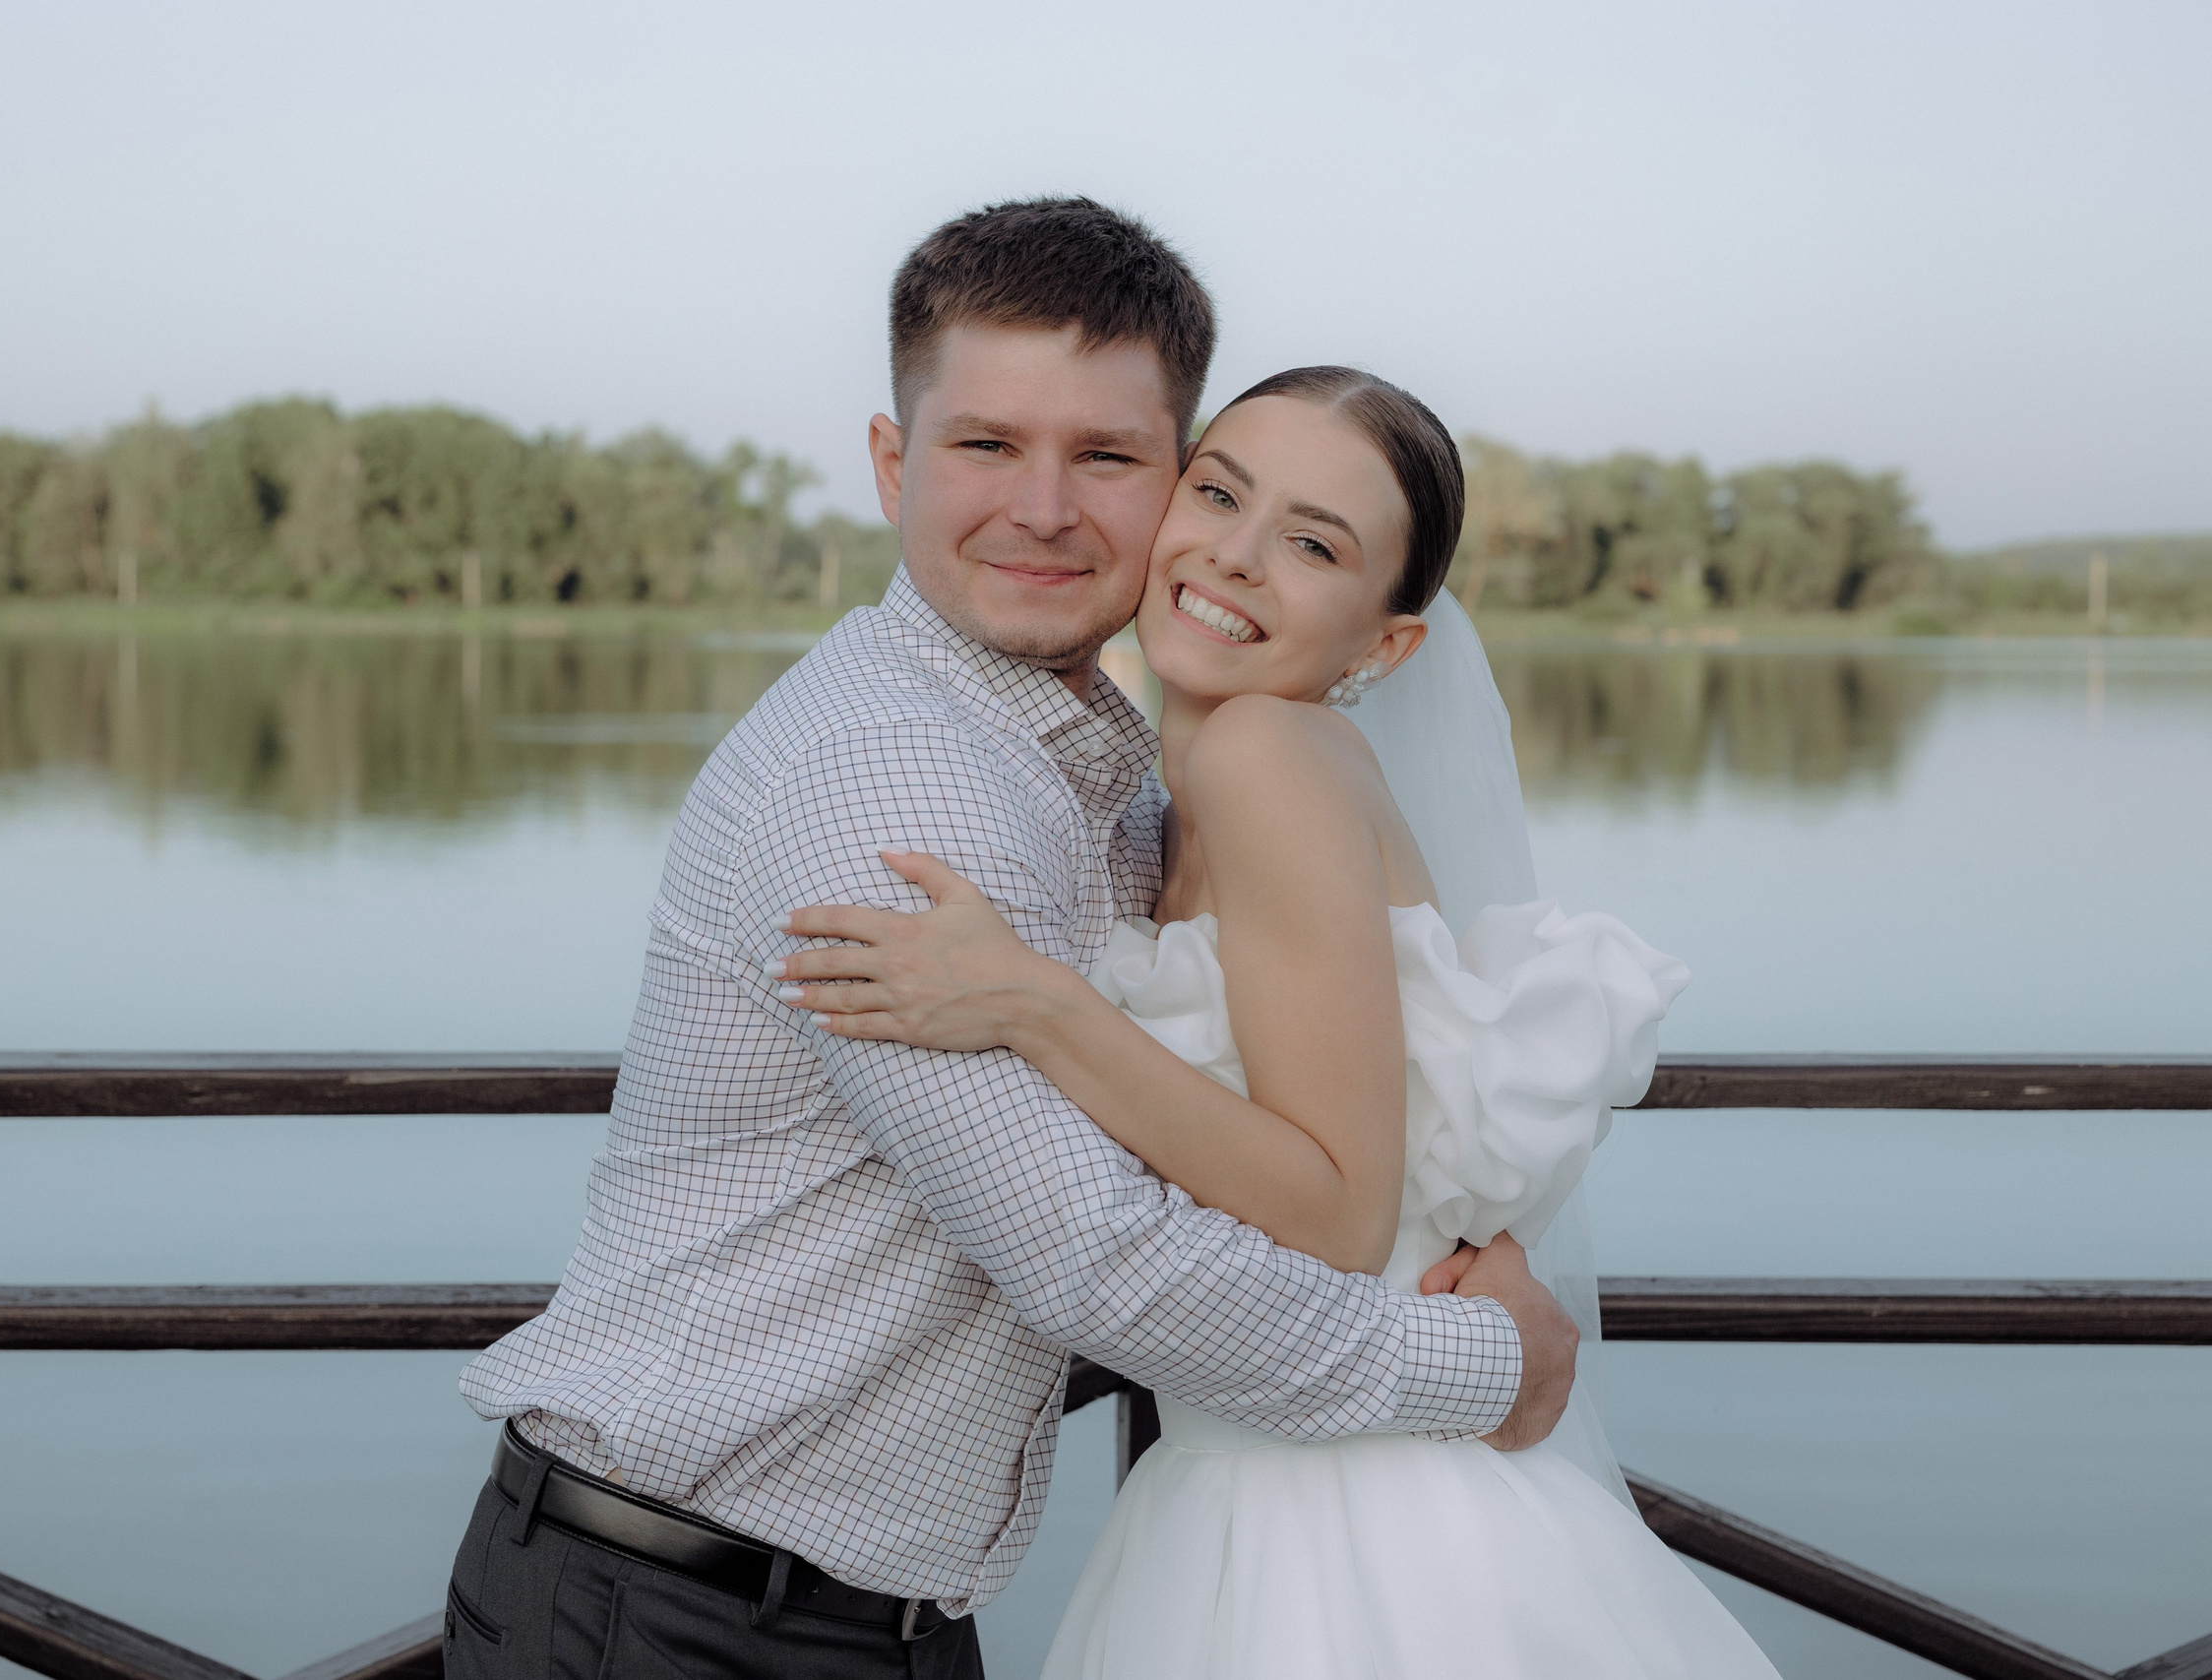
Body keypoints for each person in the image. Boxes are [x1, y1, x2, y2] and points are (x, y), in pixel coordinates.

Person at [444, 198, 1577, 1680]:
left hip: (866, 1615)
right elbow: (1099, 1261)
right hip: (675, 1617)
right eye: (986, 445)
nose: (1044, 510)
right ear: (890, 463)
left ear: (1167, 480)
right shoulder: (889, 788)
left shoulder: (1115, 780)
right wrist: (1490, 1360)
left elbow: (1278, 1132)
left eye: (1105, 457)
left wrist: (1452, 1237)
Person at [770, 368, 1782, 1676]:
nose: (1237, 557)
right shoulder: (1169, 803)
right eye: (1218, 494)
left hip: (1353, 1526)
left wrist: (1033, 1000)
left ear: (1384, 645)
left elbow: (1340, 1211)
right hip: (1271, 1468)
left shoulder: (1266, 758)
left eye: (1313, 546)